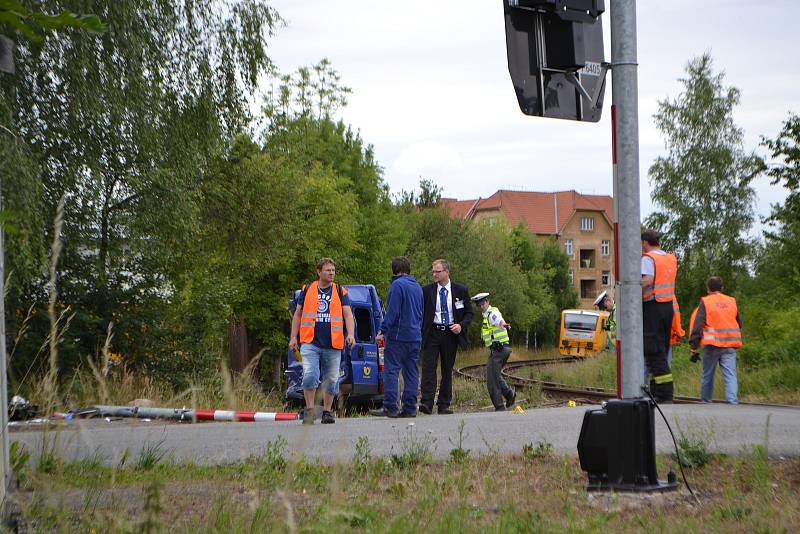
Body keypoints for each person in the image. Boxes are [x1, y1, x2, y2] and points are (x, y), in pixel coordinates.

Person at [289, 258, 355, 424]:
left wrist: (351, 334)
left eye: (333, 270)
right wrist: (293, 338)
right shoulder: (308, 290)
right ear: (319, 272)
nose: (331, 273)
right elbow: (297, 314)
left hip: (333, 343)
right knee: (310, 375)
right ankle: (310, 410)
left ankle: (327, 411)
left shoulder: (340, 291)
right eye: (328, 270)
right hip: (310, 342)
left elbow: (348, 315)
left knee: (332, 379)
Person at [371, 257, 424, 418]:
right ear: (409, 269)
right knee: (411, 373)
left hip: (398, 336)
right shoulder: (417, 287)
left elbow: (392, 312)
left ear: (395, 270)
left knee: (391, 371)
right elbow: (421, 312)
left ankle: (390, 407)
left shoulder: (397, 285)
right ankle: (410, 407)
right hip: (415, 336)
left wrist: (382, 331)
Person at [419, 259, 474, 415]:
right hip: (432, 333)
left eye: (437, 271)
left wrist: (461, 325)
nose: (434, 274)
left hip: (450, 333)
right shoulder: (427, 291)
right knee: (429, 367)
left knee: (447, 369)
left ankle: (444, 404)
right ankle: (427, 402)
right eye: (433, 271)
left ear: (446, 272)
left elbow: (469, 313)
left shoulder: (460, 291)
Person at [689, 276, 742, 404]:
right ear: (722, 288)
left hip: (712, 345)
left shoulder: (706, 302)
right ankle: (732, 402)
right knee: (730, 375)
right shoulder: (731, 301)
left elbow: (698, 325)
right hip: (729, 345)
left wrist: (694, 347)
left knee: (708, 375)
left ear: (708, 289)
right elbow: (739, 323)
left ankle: (706, 402)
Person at [641, 229, 678, 402]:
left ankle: (663, 394)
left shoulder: (649, 259)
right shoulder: (670, 258)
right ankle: (658, 391)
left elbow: (647, 280)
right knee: (662, 349)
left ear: (645, 243)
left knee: (653, 350)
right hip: (668, 306)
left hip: (653, 306)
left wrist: (630, 288)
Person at [472, 293, 515, 411]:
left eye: (482, 303)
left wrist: (504, 324)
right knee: (494, 375)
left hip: (499, 350)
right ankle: (509, 394)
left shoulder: (492, 313)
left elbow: (499, 320)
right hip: (500, 349)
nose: (481, 306)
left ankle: (500, 406)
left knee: (491, 380)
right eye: (479, 305)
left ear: (487, 302)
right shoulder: (486, 316)